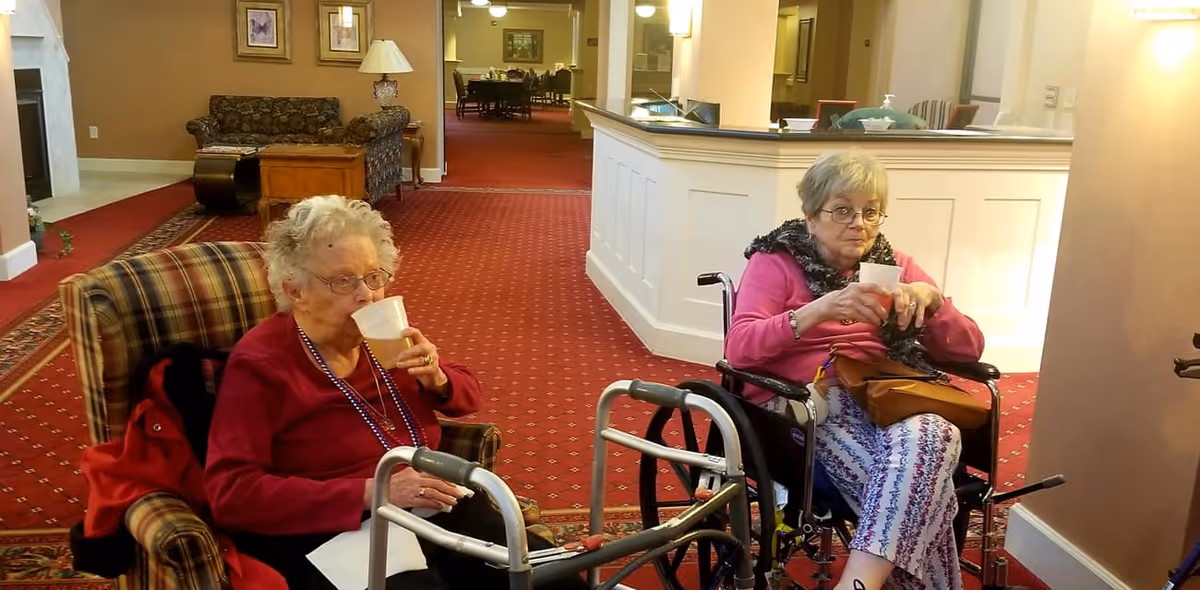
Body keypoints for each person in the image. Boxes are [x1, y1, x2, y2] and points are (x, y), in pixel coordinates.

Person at [204, 196, 587, 590]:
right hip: (336, 528)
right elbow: (231, 493)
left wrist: (438, 377)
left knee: (550, 578)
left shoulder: (381, 334)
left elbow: (468, 396)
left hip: (429, 499)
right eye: (343, 281)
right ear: (295, 290)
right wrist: (374, 491)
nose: (367, 295)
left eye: (374, 276)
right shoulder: (261, 364)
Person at [725, 151, 985, 590]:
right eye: (842, 210)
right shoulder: (776, 262)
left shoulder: (894, 265)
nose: (859, 224)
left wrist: (934, 302)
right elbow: (740, 349)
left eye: (870, 212)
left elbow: (969, 348)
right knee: (918, 494)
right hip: (807, 402)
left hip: (887, 394)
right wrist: (818, 310)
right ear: (811, 217)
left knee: (937, 432)